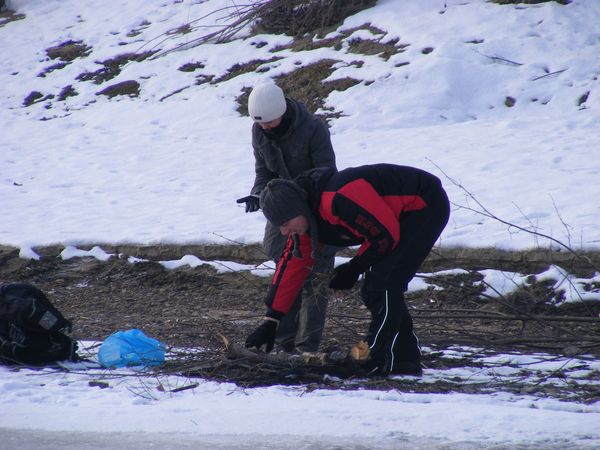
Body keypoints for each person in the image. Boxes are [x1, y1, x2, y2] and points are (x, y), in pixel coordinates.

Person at [244, 164, 450, 376]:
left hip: (423, 203)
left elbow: (385, 235)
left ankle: (375, 357)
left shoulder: (339, 198)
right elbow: (291, 268)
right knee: (378, 285)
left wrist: (354, 267)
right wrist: (271, 320)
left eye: (286, 223)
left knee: (382, 283)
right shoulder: (306, 221)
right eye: (279, 225)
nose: (284, 230)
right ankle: (404, 359)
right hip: (394, 221)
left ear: (298, 208)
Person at [236, 81, 337, 353]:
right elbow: (263, 171)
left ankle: (307, 348)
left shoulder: (314, 129)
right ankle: (283, 342)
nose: (265, 127)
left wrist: (297, 193)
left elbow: (327, 172)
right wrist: (259, 195)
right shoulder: (259, 130)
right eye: (261, 124)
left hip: (314, 208)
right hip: (281, 206)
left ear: (282, 111)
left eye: (270, 122)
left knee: (315, 277)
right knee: (284, 266)